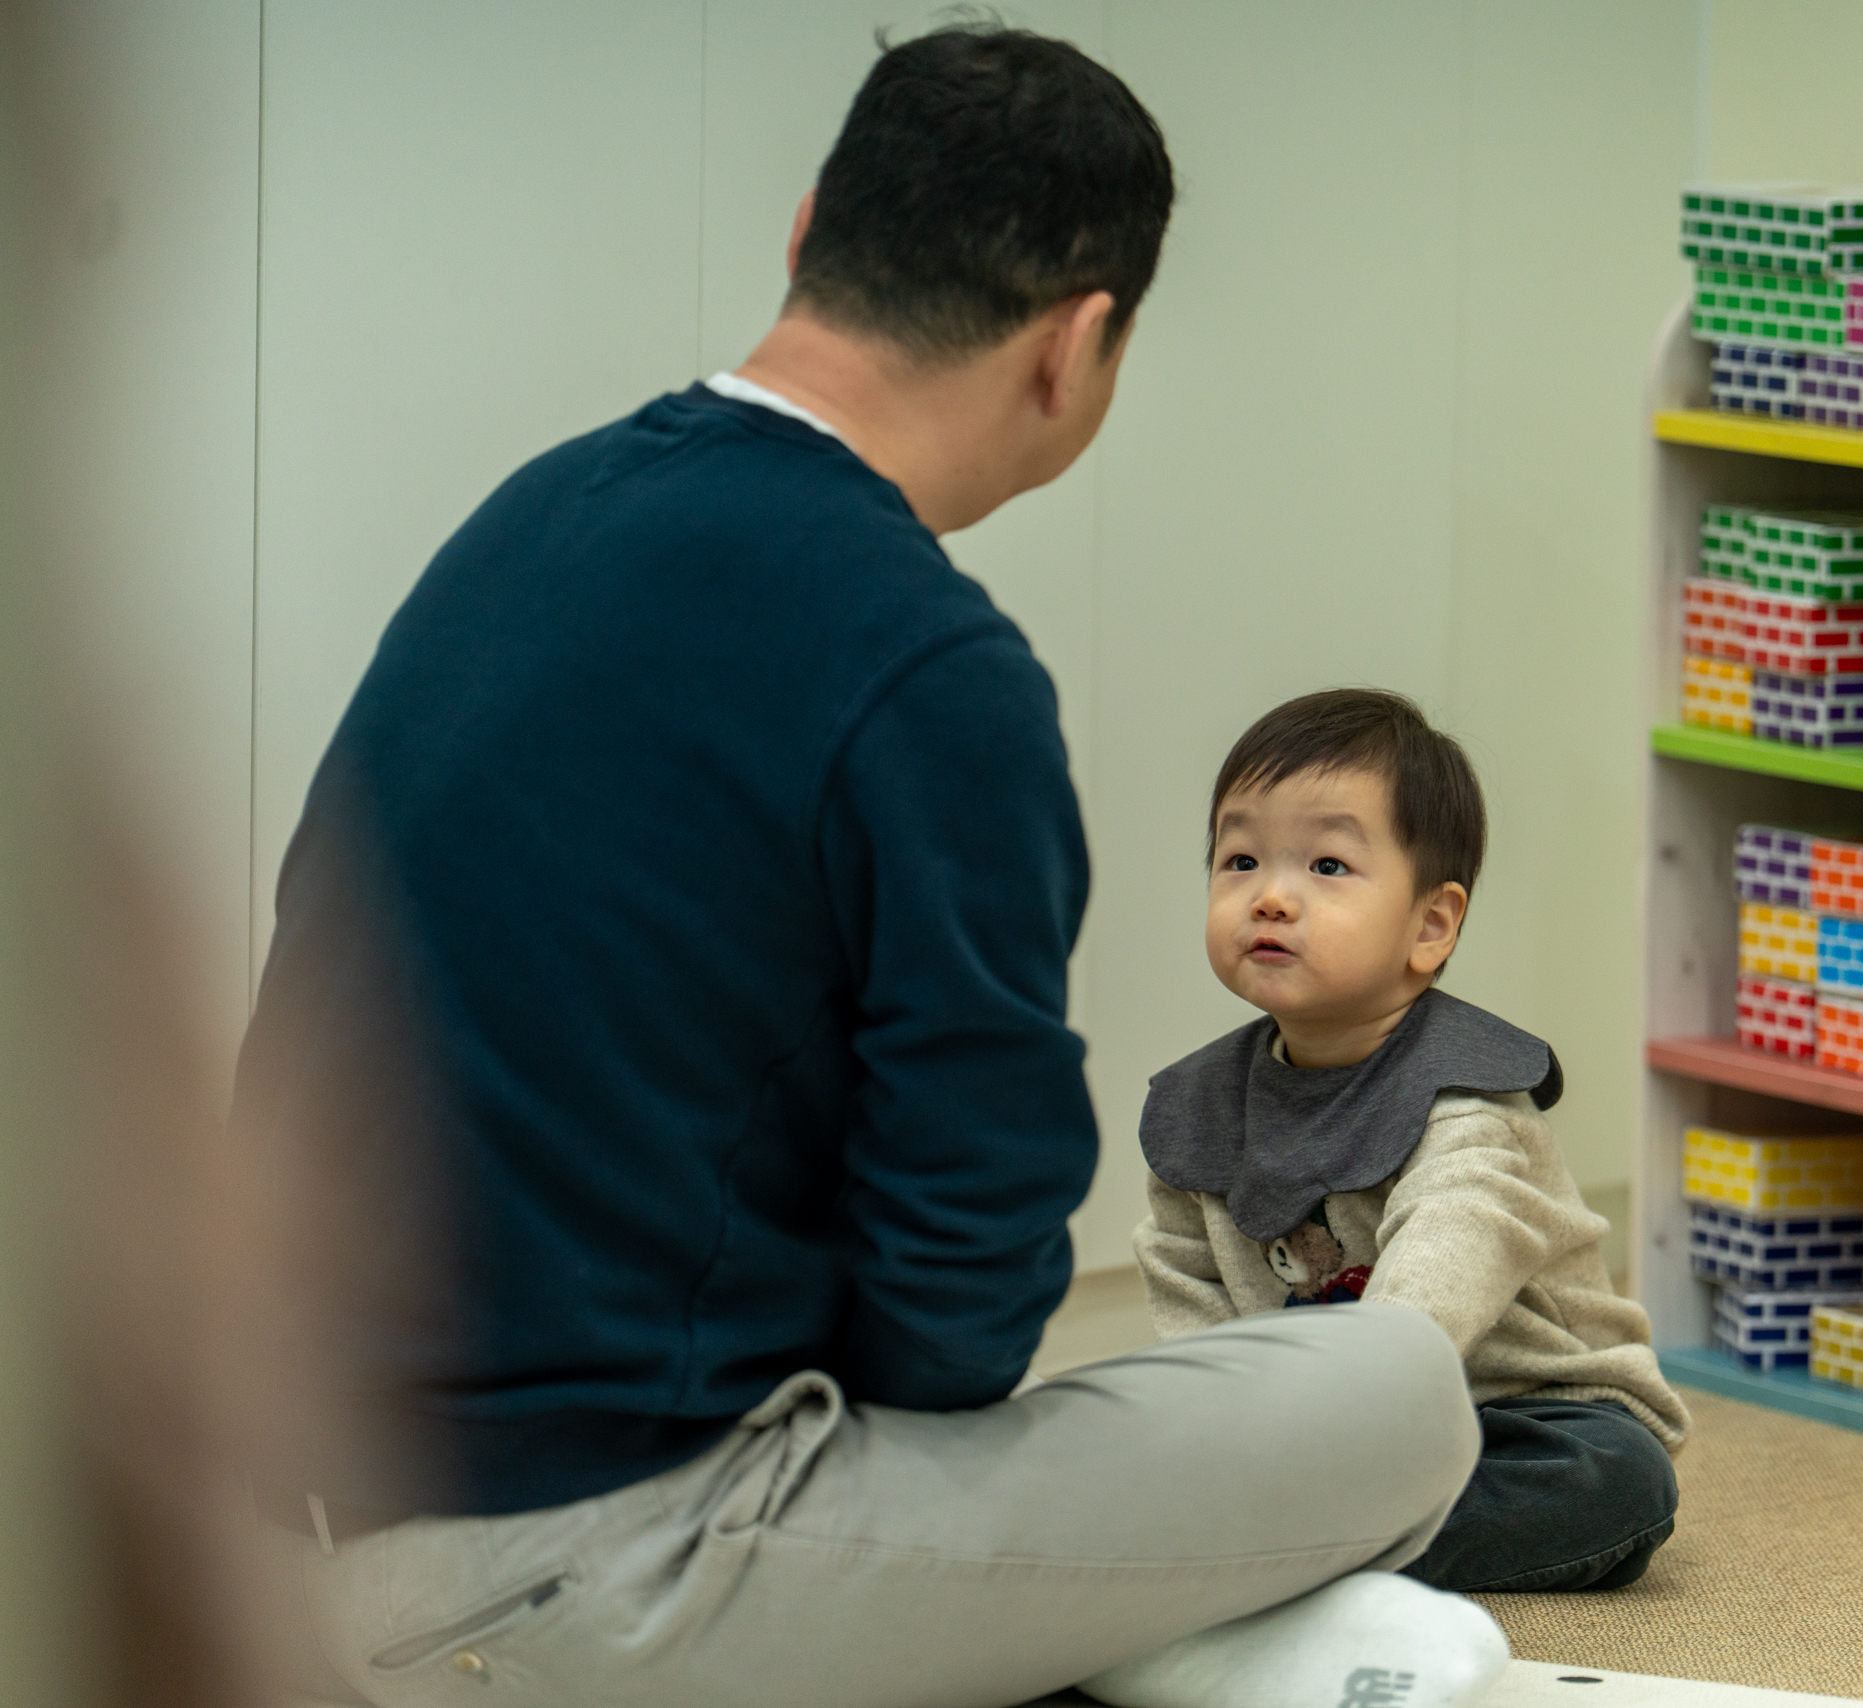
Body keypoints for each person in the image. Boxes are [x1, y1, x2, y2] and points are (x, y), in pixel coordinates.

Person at [236, 24, 1513, 1708]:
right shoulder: (930, 666)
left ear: (805, 235)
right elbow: (967, 1280)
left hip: (282, 1528)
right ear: (1077, 345)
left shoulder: (532, 518)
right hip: (592, 1577)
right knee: (1399, 1393)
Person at [1134, 689, 1688, 1595]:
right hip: (1317, 1439)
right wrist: (1217, 1436)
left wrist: (1318, 1447)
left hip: (1523, 1415)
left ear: (1430, 926)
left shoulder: (1469, 1100)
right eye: (1241, 860)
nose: (1270, 896)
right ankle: (1299, 1534)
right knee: (1120, 1437)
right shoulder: (1198, 1112)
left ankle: (1301, 1548)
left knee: (1622, 1484)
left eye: (1327, 865)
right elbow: (1191, 1304)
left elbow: (1433, 1287)